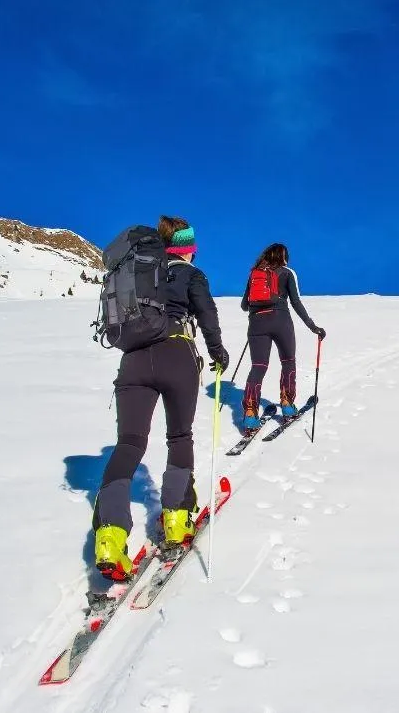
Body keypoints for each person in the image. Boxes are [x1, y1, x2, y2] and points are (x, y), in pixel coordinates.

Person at [93, 216, 230, 580]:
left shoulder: (140, 273)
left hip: (134, 360)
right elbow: (207, 315)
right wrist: (218, 352)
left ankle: (109, 535)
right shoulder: (191, 275)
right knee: (179, 436)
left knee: (129, 444)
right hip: (177, 353)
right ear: (187, 248)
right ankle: (176, 519)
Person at [240, 243, 325, 432]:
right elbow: (296, 302)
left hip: (256, 324)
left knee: (258, 367)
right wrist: (313, 327)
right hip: (281, 321)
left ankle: (250, 414)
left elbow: (244, 305)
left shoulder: (255, 273)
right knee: (288, 361)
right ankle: (287, 405)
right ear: (283, 256)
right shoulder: (287, 273)